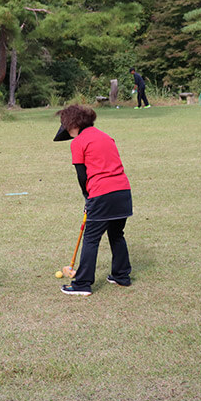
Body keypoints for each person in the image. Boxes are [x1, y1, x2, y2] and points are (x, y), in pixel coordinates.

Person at [53, 104, 133, 296]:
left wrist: (88, 197)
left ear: (72, 124)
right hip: (123, 192)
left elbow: (82, 175)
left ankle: (82, 284)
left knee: (91, 238)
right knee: (116, 234)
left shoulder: (78, 142)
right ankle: (121, 276)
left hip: (102, 193)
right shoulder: (106, 136)